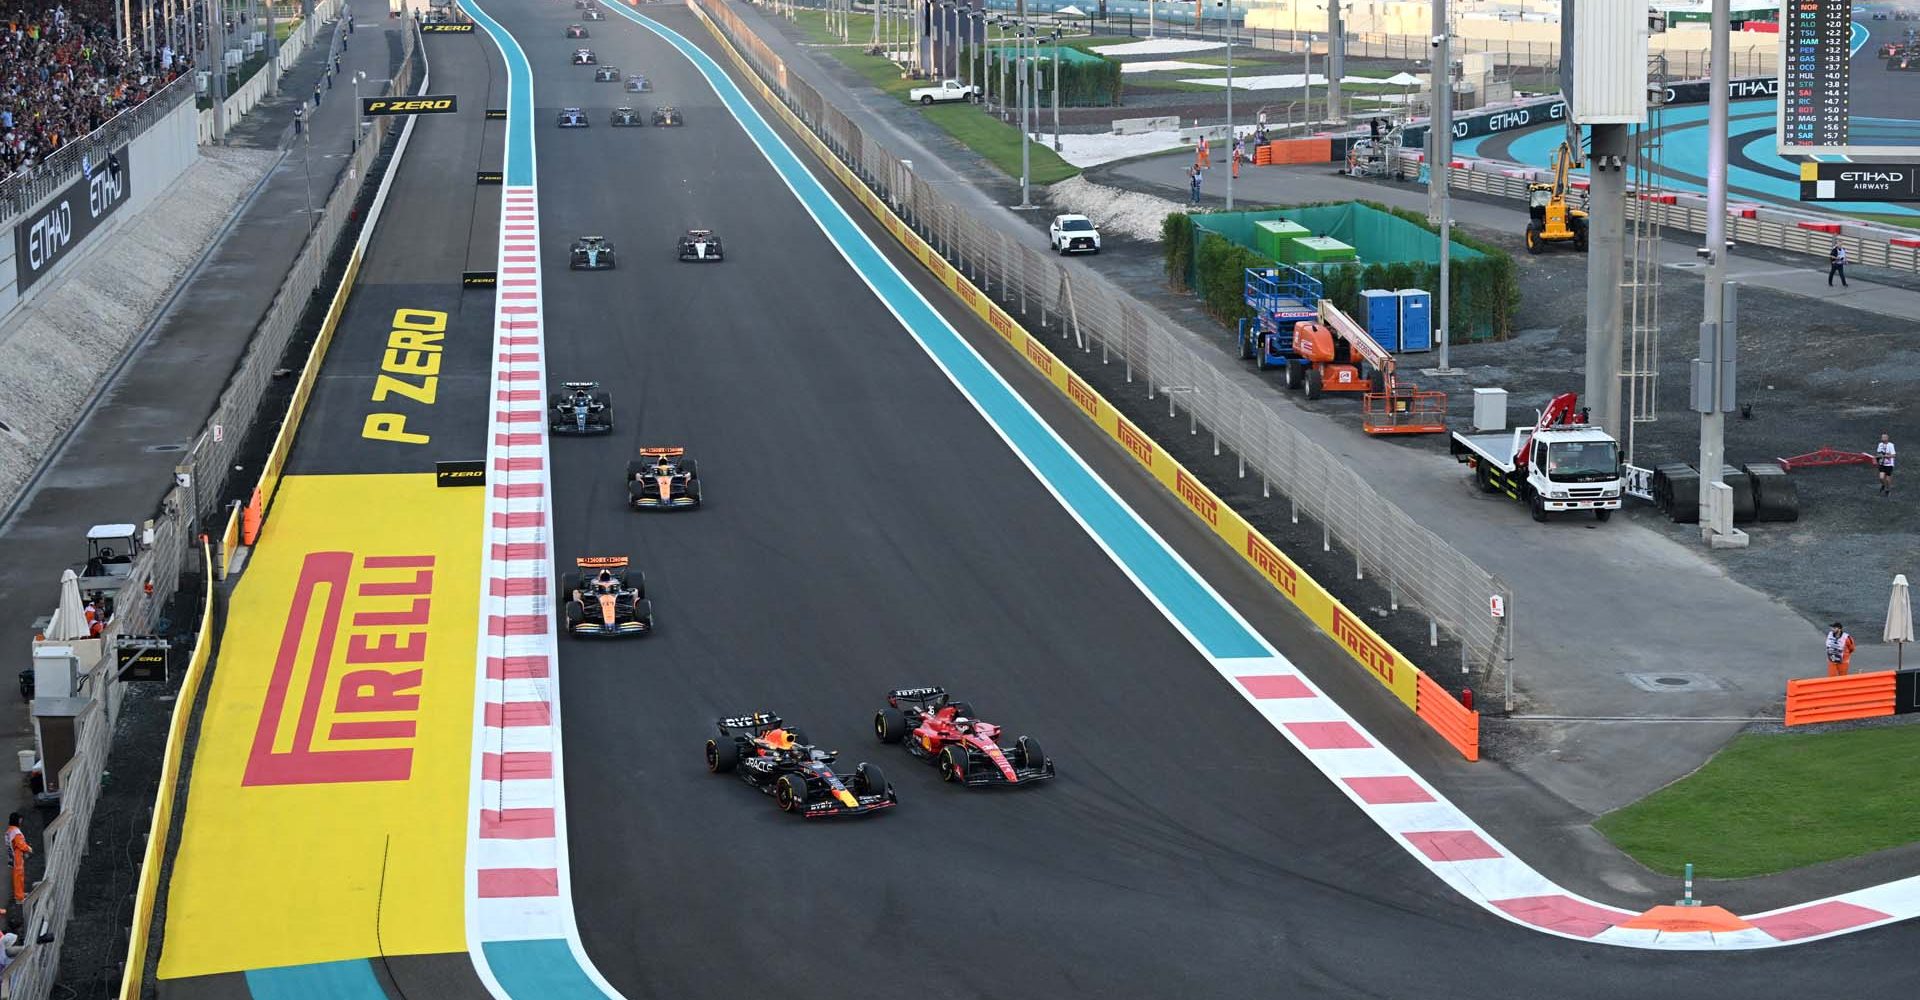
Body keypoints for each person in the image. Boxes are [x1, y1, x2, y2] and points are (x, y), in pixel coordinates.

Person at [4, 815, 29, 906]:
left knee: (17, 876)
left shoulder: (9, 831)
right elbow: (20, 844)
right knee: (19, 877)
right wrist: (28, 849)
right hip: (17, 857)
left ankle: (20, 894)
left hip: (12, 856)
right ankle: (19, 897)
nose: (21, 822)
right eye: (20, 820)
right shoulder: (16, 832)